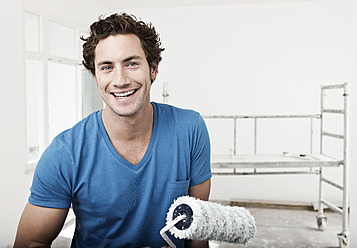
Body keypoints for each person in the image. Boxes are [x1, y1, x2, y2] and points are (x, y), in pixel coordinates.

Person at [14, 13, 211, 248]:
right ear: (95, 76)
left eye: (132, 63)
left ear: (153, 69)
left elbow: (197, 229)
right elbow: (30, 242)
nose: (120, 80)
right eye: (107, 67)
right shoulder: (65, 153)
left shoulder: (190, 129)